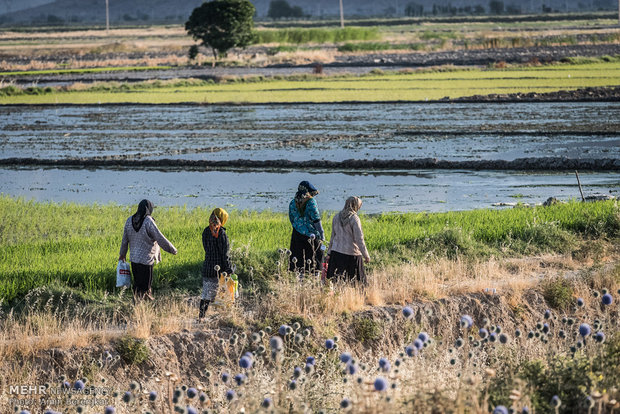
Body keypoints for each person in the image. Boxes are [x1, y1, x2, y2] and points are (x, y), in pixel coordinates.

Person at [119, 199, 178, 300]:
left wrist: (122, 254)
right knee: (146, 288)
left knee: (137, 286)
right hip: (146, 261)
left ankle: (138, 305)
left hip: (134, 260)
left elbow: (125, 240)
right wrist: (172, 249)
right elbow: (159, 237)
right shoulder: (148, 221)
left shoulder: (129, 220)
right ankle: (145, 307)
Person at [326, 196, 370, 284]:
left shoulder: (336, 217)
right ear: (355, 206)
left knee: (336, 283)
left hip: (336, 253)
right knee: (358, 283)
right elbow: (359, 239)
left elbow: (332, 237)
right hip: (352, 255)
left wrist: (329, 253)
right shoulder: (354, 219)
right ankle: (356, 298)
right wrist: (366, 255)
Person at [199, 207, 233, 319]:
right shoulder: (221, 233)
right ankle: (224, 317)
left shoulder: (206, 231)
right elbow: (225, 254)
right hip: (219, 270)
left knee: (206, 295)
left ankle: (201, 317)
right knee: (223, 295)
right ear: (222, 219)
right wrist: (228, 269)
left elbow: (206, 249)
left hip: (207, 267)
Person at [288, 180, 325, 274]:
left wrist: (298, 227)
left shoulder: (293, 202)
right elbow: (316, 218)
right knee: (315, 258)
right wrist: (321, 233)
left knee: (298, 259)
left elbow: (291, 218)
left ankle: (299, 280)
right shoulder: (311, 202)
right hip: (312, 235)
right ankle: (314, 279)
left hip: (297, 234)